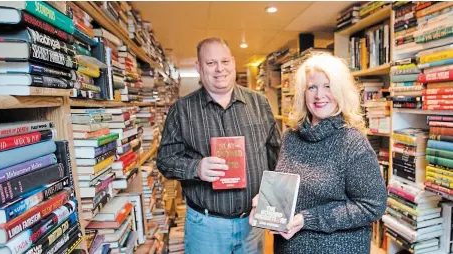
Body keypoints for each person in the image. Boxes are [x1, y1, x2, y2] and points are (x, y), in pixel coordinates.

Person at [249, 53, 387, 254]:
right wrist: (265, 203)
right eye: (312, 87)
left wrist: (307, 219)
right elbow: (287, 190)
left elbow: (372, 206)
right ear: (303, 94)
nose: (319, 95)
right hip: (288, 247)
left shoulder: (351, 141)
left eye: (328, 86)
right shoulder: (290, 137)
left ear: (340, 91)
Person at [157, 37, 282, 254]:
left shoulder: (259, 103)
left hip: (252, 224)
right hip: (206, 227)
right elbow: (165, 161)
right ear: (198, 67)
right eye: (211, 63)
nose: (219, 69)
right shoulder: (182, 110)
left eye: (224, 61)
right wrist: (195, 168)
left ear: (233, 62)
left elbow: (276, 153)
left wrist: (271, 198)